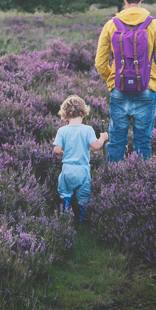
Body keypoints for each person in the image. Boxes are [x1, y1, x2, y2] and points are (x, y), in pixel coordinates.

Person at [95, 0, 156, 162]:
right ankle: (140, 184)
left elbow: (100, 62)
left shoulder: (111, 25)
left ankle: (113, 183)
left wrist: (112, 79)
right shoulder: (155, 25)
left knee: (116, 143)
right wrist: (153, 79)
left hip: (119, 89)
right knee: (143, 142)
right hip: (146, 89)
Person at [53, 95, 109, 224]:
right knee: (83, 197)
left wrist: (61, 153)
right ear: (83, 114)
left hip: (67, 169)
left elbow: (56, 150)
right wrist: (103, 138)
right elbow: (96, 147)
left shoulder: (62, 130)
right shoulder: (87, 129)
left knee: (65, 193)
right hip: (82, 170)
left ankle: (65, 217)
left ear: (65, 116)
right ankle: (82, 221)